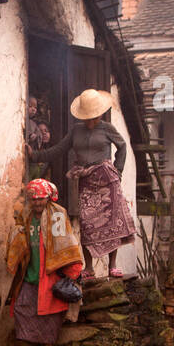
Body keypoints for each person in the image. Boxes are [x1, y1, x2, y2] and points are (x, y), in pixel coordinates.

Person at [25, 88, 136, 279]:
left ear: (99, 114)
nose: (90, 121)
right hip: (86, 180)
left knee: (112, 221)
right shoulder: (76, 130)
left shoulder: (107, 128)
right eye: (87, 117)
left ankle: (112, 265)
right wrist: (35, 156)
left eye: (93, 117)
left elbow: (123, 146)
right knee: (87, 223)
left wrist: (118, 170)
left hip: (107, 180)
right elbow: (60, 148)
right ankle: (89, 267)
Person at [5, 179, 83, 346]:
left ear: (48, 198)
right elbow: (20, 234)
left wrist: (72, 271)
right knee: (22, 309)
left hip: (50, 274)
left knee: (49, 317)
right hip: (30, 271)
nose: (37, 203)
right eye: (34, 199)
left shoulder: (57, 214)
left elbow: (65, 241)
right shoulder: (27, 214)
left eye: (41, 199)